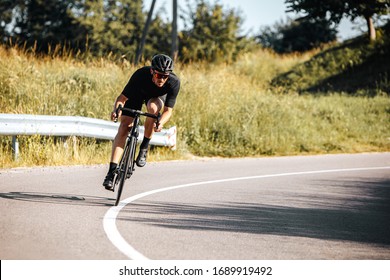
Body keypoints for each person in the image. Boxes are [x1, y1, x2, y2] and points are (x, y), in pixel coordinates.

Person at [103, 54, 181, 190]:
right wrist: (117, 110)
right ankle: (111, 172)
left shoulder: (173, 82)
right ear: (152, 71)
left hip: (155, 98)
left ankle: (144, 147)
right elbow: (122, 98)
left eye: (165, 76)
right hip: (137, 95)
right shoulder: (140, 74)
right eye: (158, 75)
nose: (162, 79)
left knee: (152, 108)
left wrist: (160, 122)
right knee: (124, 127)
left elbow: (168, 111)